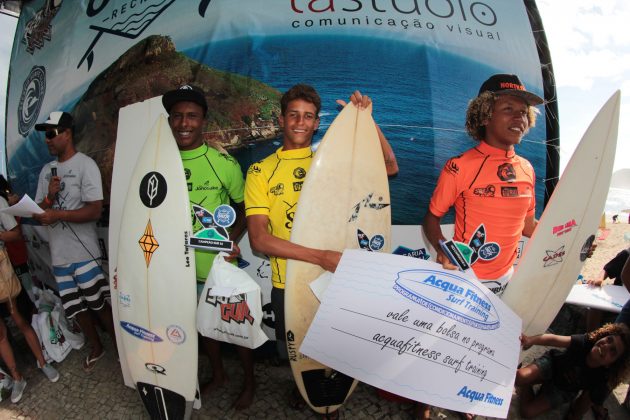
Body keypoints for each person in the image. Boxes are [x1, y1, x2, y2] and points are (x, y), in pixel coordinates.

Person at [245, 84, 398, 409]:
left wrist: (366, 121)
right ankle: (306, 395)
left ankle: (333, 403)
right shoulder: (260, 172)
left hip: (338, 279)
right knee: (301, 354)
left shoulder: (328, 162)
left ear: (317, 123)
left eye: (308, 116)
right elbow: (259, 239)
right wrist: (320, 257)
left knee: (339, 345)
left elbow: (388, 168)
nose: (300, 122)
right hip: (290, 284)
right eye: (293, 115)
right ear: (282, 119)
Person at [421, 74, 544, 419]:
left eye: (523, 112)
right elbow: (431, 219)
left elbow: (530, 226)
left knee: (483, 350)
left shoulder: (527, 169)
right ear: (485, 114)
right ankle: (423, 403)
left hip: (506, 282)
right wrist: (443, 248)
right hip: (467, 280)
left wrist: (569, 243)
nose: (519, 117)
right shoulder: (461, 166)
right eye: (509, 109)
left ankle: (467, 401)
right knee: (441, 349)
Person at [161, 85, 251, 409]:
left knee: (238, 330)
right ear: (170, 121)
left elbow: (244, 209)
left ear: (204, 121)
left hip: (218, 268)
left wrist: (231, 240)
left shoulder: (222, 163)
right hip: (180, 272)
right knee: (205, 330)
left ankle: (250, 383)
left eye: (192, 116)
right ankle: (219, 375)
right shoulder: (159, 163)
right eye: (177, 116)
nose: (183, 123)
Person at [33, 111, 116, 372]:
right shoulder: (46, 171)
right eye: (44, 135)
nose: (47, 140)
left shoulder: (85, 165)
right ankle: (97, 347)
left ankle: (124, 350)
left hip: (84, 255)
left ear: (67, 133)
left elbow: (94, 210)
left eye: (51, 134)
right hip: (59, 258)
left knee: (99, 305)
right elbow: (37, 211)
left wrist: (57, 213)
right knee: (76, 309)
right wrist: (48, 199)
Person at [0, 180, 60, 403]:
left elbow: (15, 234)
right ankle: (17, 377)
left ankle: (42, 362)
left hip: (4, 277)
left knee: (21, 320)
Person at [516, 323, 630, 419]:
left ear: (612, 365)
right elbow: (554, 339)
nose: (606, 346)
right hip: (552, 365)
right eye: (609, 339)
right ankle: (528, 378)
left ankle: (528, 384)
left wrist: (574, 415)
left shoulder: (603, 379)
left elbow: (585, 403)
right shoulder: (586, 342)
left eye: (613, 351)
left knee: (527, 412)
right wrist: (531, 340)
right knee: (519, 377)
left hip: (564, 390)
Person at [584, 247, 630, 331]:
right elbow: (608, 269)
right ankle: (591, 336)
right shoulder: (627, 254)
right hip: (618, 296)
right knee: (596, 305)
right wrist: (599, 278)